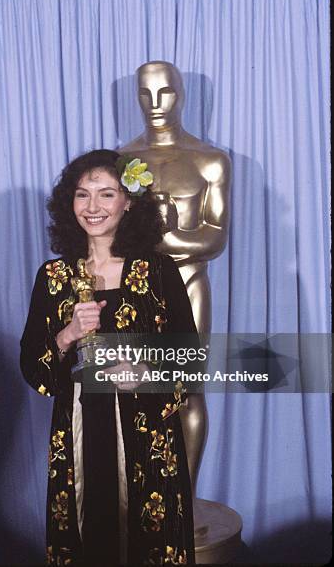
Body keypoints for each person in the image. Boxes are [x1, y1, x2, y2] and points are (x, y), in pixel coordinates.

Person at [20, 149, 198, 566]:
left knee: (147, 543)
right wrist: (67, 334)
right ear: (70, 203)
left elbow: (191, 358)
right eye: (83, 195)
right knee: (86, 540)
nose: (93, 207)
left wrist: (147, 373)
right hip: (79, 433)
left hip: (147, 438)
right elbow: (32, 367)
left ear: (128, 201)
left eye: (106, 194)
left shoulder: (157, 271)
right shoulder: (53, 278)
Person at [118, 61, 231, 532]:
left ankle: (182, 494)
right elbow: (113, 237)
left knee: (188, 392)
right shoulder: (122, 159)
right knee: (133, 390)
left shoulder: (209, 160)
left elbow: (215, 240)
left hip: (188, 286)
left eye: (166, 93)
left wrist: (162, 236)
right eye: (146, 94)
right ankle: (144, 495)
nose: (157, 105)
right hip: (135, 289)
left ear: (182, 94)